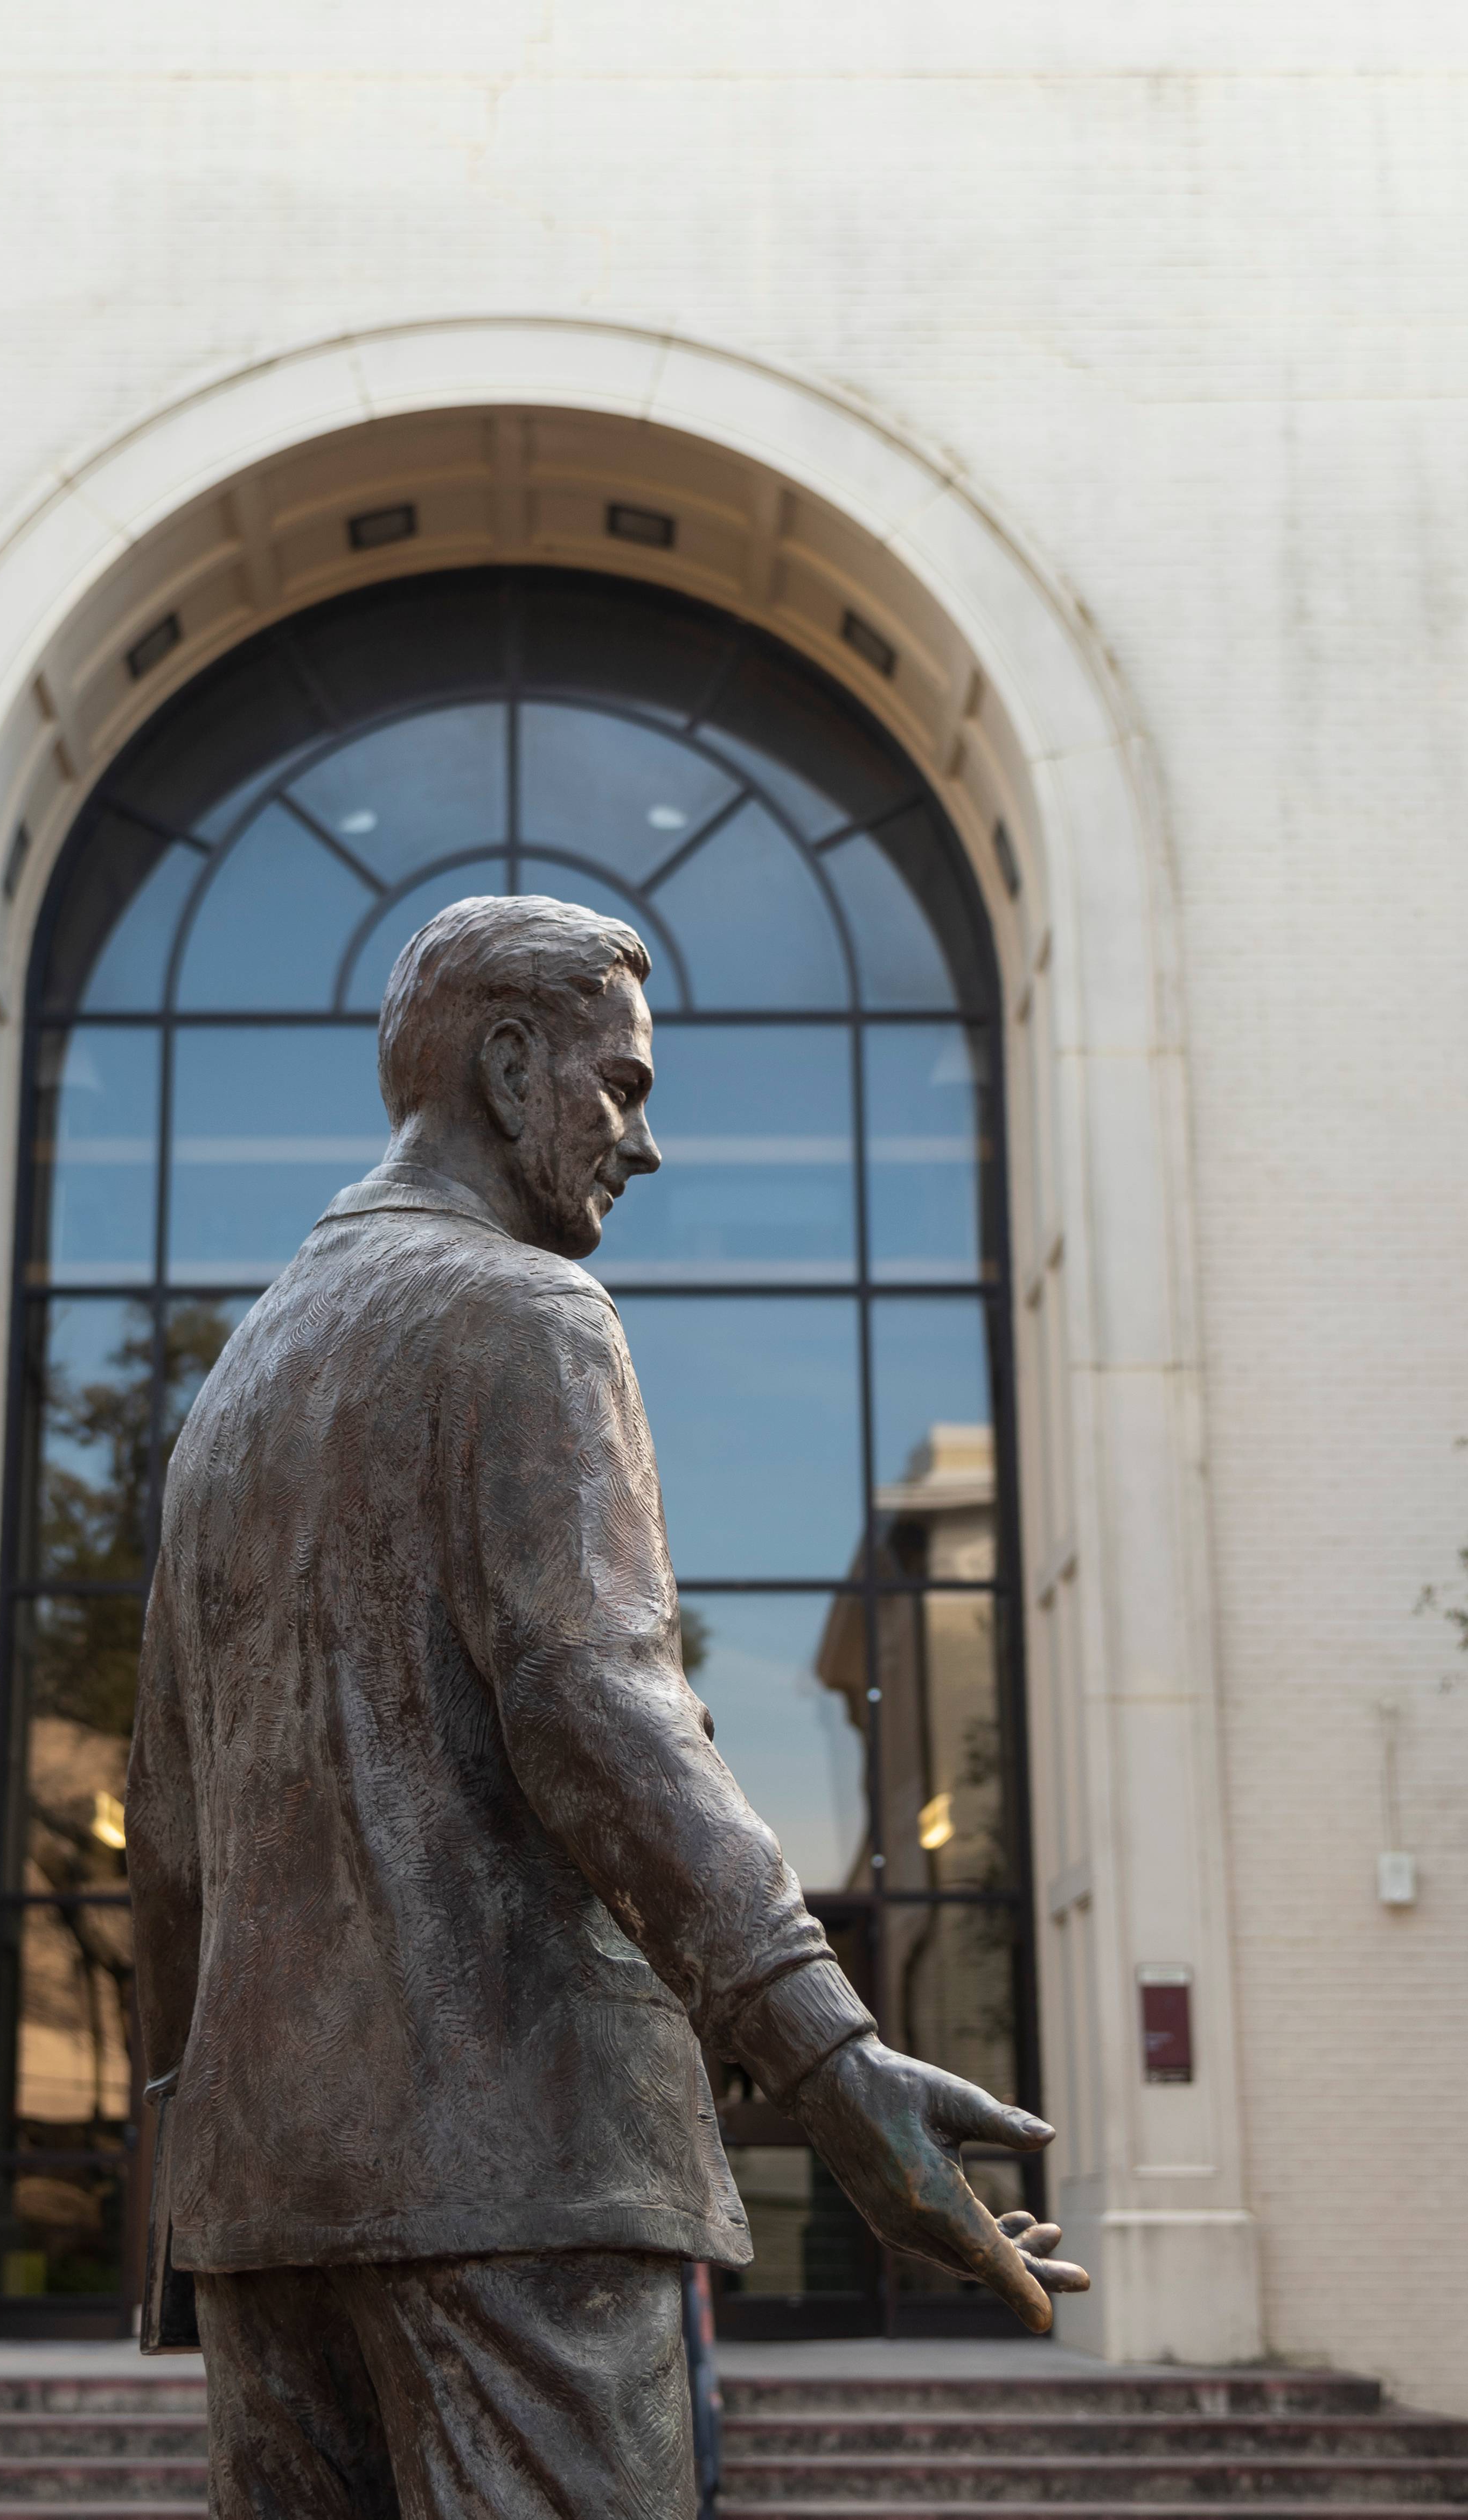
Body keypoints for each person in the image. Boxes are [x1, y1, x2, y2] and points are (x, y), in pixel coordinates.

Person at [127, 894, 1085, 2519]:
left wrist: (183, 2181)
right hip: (516, 2183)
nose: (643, 1148)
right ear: (510, 1068)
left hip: (265, 2209)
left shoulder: (239, 1383)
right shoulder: (524, 1314)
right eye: (623, 1087)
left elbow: (167, 1827)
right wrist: (832, 2063)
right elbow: (596, 1708)